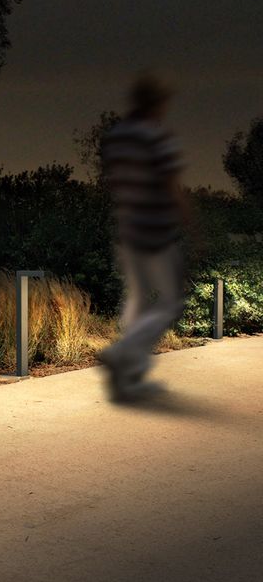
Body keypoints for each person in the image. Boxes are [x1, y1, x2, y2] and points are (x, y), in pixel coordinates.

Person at [98, 71, 194, 402]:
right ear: (157, 103)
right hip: (157, 229)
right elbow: (171, 185)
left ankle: (128, 380)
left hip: (127, 227)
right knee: (170, 302)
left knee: (138, 302)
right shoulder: (157, 137)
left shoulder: (118, 136)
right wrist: (190, 219)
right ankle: (121, 353)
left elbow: (113, 180)